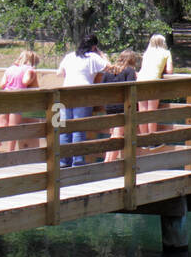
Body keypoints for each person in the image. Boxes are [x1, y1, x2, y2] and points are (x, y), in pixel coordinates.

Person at [58, 34, 109, 167]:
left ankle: (63, 161)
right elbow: (109, 68)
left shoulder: (70, 56)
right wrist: (101, 55)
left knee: (64, 127)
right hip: (83, 93)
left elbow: (60, 73)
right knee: (79, 127)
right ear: (94, 46)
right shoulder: (93, 57)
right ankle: (78, 160)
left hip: (64, 94)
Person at [0, 50, 39, 155]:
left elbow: (2, 84)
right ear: (32, 61)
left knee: (2, 125)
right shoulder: (29, 69)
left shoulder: (9, 69)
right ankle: (10, 152)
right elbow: (25, 81)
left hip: (5, 98)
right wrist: (33, 76)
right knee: (13, 127)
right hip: (17, 100)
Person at [102, 50, 140, 163]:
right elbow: (130, 87)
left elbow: (102, 86)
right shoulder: (129, 71)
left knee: (113, 134)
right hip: (122, 106)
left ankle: (107, 160)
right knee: (117, 135)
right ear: (132, 60)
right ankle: (107, 163)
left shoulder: (109, 70)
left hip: (109, 106)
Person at [137, 34, 173, 137]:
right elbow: (169, 71)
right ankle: (152, 138)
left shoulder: (146, 53)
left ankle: (143, 139)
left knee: (142, 110)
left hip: (140, 80)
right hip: (153, 81)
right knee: (152, 111)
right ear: (163, 43)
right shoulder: (166, 53)